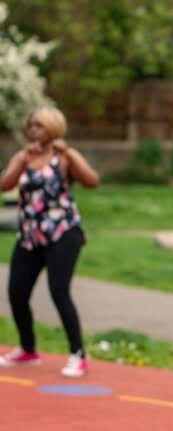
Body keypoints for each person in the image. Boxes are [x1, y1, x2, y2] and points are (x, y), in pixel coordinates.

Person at [0, 106, 99, 378]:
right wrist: (20, 161)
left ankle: (78, 354)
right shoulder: (24, 157)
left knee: (59, 290)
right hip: (30, 235)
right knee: (16, 291)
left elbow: (92, 181)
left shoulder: (65, 156)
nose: (33, 130)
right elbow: (5, 185)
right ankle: (28, 349)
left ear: (53, 127)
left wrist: (70, 156)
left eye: (39, 125)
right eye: (31, 125)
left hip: (62, 232)